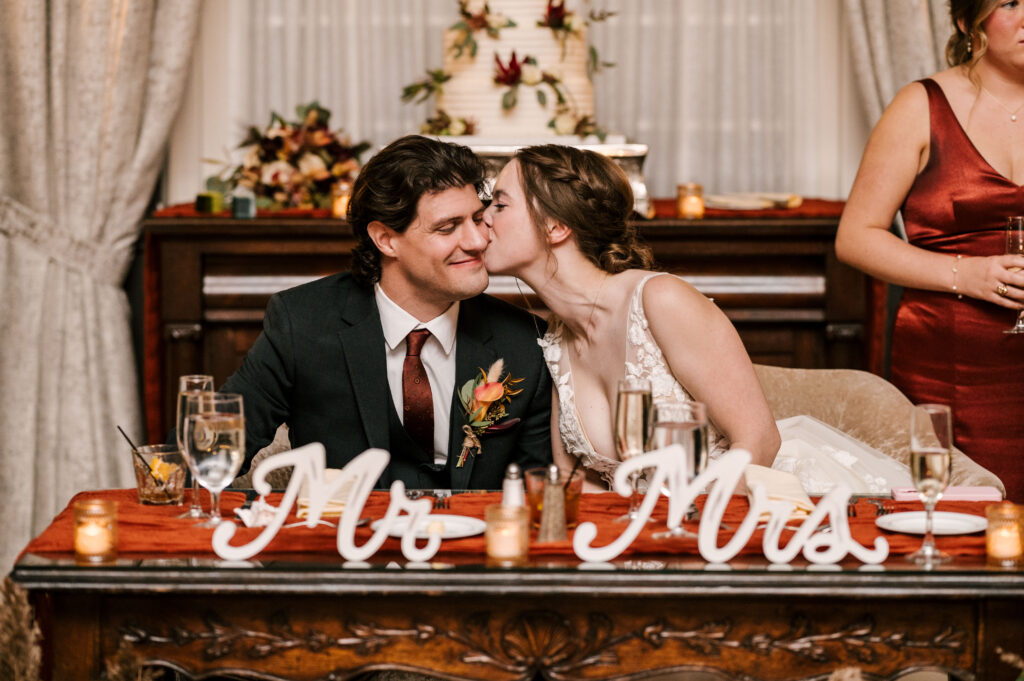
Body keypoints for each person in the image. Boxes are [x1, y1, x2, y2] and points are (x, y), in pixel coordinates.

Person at [222, 135, 552, 490]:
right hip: (346, 538)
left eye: (477, 218)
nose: (476, 241)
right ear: (386, 239)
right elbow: (216, 448)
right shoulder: (302, 322)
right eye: (447, 227)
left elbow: (540, 492)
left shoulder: (524, 343)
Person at [480, 144, 781, 492]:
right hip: (641, 532)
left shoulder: (660, 301)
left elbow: (759, 441)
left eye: (500, 205)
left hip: (737, 514)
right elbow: (576, 481)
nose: (484, 217)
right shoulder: (556, 341)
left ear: (556, 226)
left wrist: (691, 530)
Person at [835, 0, 1024, 501]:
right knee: (956, 518)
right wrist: (969, 274)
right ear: (968, 20)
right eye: (1011, 2)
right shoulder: (920, 105)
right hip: (949, 364)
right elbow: (856, 237)